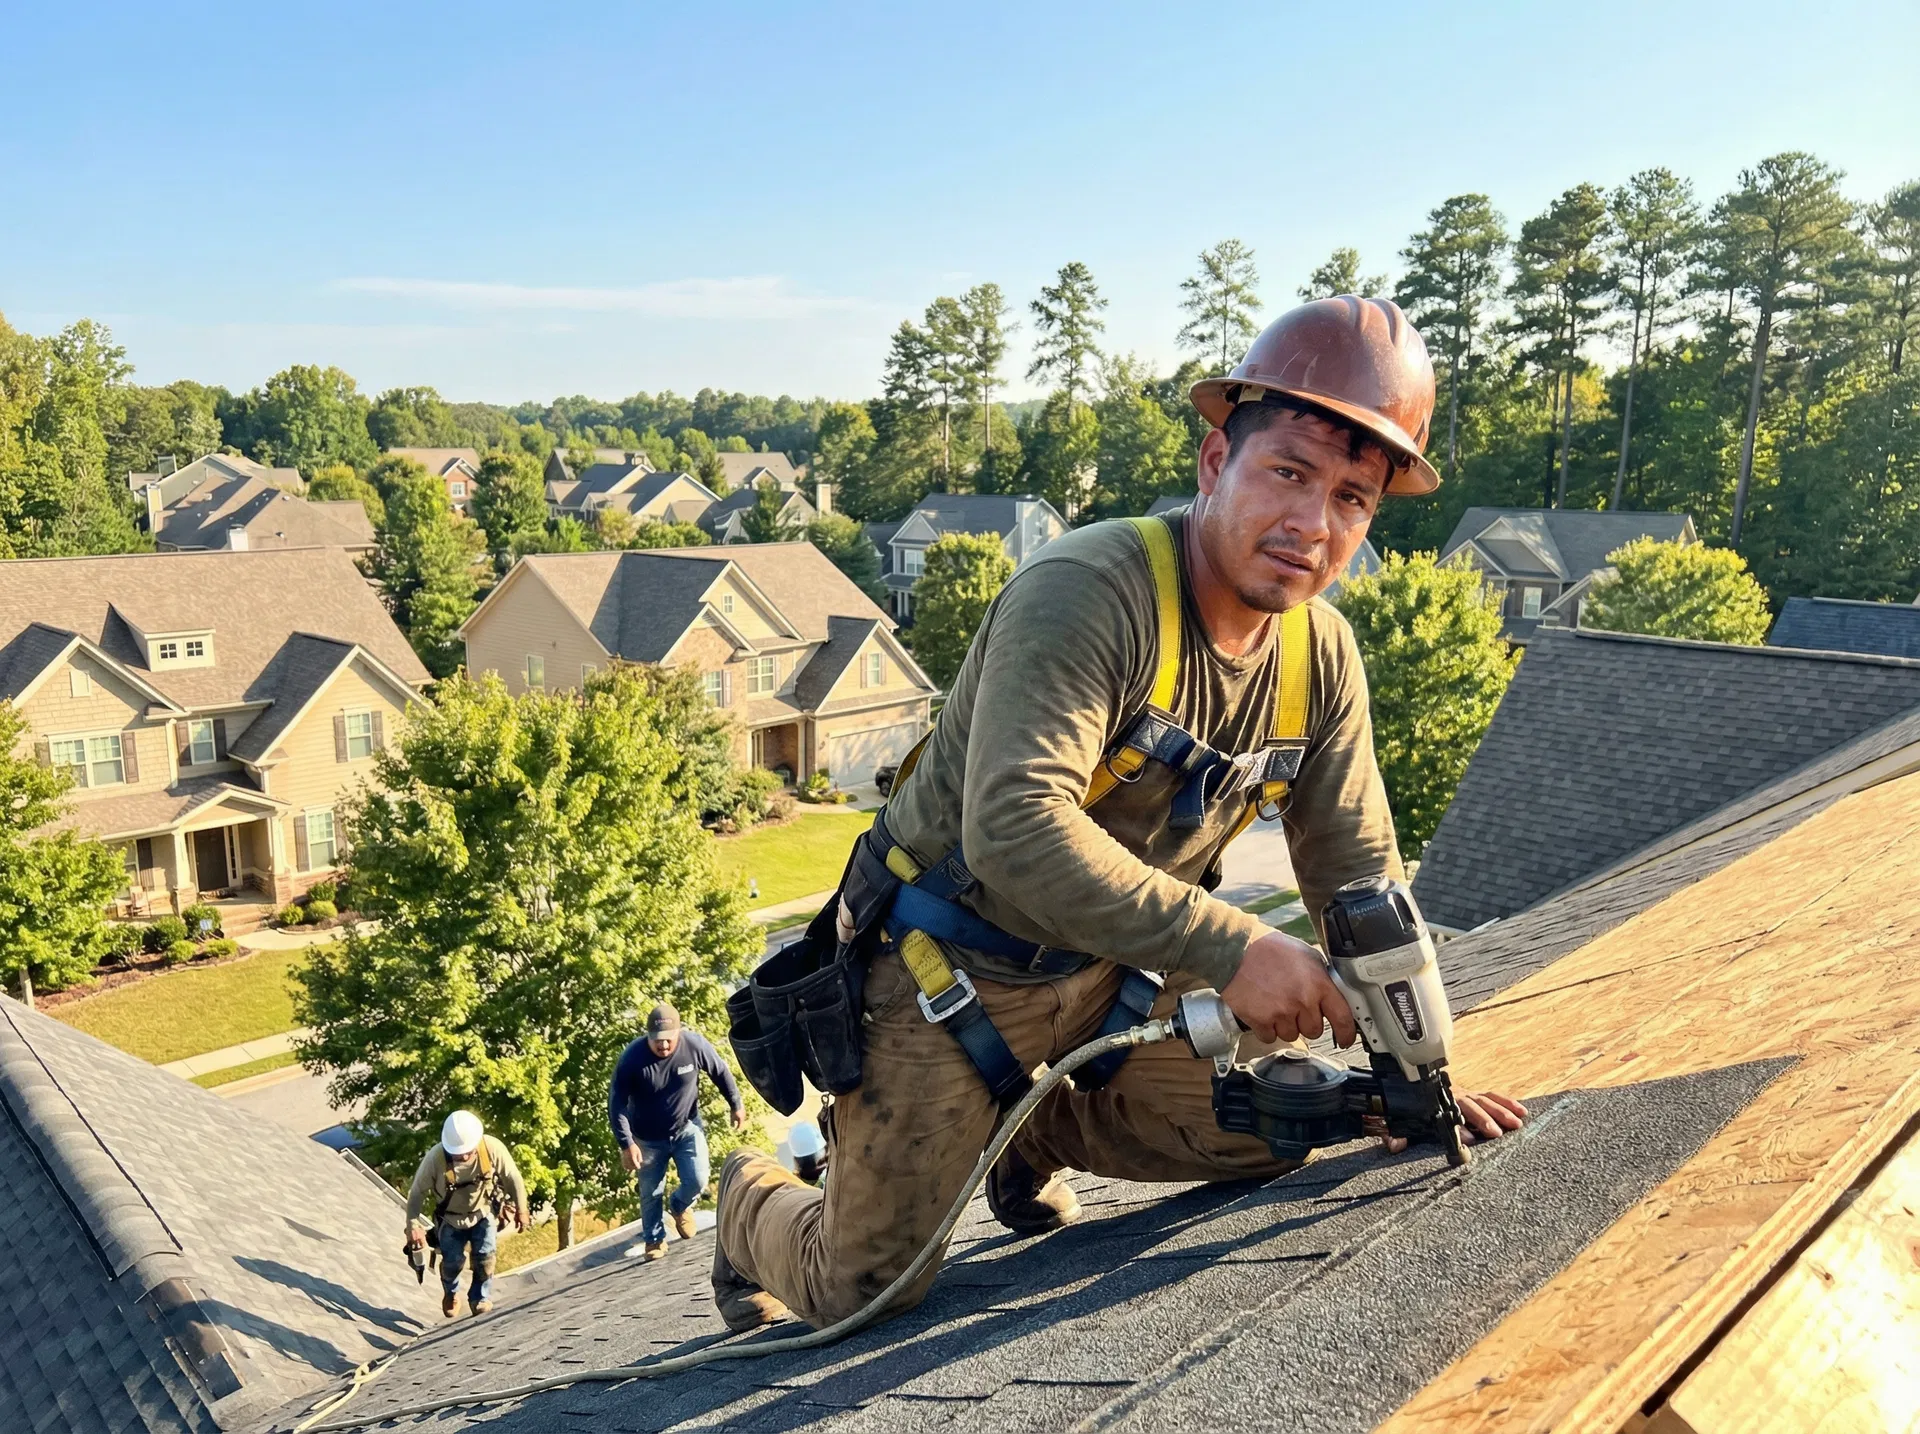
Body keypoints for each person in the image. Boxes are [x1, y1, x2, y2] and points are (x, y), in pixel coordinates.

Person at [712, 297, 1530, 1333]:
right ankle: (747, 1206)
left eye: (1353, 500)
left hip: (1119, 980)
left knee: (1282, 1126)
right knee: (858, 1292)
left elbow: (1360, 882)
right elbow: (1013, 827)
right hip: (949, 968)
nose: (1312, 526)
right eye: (1287, 473)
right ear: (1213, 463)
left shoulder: (1319, 661)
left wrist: (1415, 1077)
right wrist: (1233, 947)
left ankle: (1034, 1130)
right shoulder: (1091, 595)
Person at [609, 1002, 747, 1259]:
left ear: (679, 1034)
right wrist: (627, 1143)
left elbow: (720, 1072)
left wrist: (736, 1104)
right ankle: (654, 1241)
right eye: (657, 1041)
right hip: (647, 1138)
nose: (663, 1045)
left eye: (668, 1040)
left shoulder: (694, 1046)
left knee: (698, 1178)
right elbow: (616, 1102)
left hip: (687, 1127)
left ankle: (680, 1206)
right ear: (648, 1037)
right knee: (651, 1191)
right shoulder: (632, 1058)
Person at [405, 1110, 528, 1318]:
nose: (462, 1156)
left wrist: (522, 1209)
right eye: (457, 1153)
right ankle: (451, 1293)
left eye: (467, 1151)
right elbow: (416, 1192)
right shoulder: (436, 1158)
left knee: (485, 1256)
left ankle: (480, 1297)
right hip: (450, 1219)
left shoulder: (490, 1148)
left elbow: (512, 1177)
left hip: (483, 1212)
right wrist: (413, 1227)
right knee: (452, 1262)